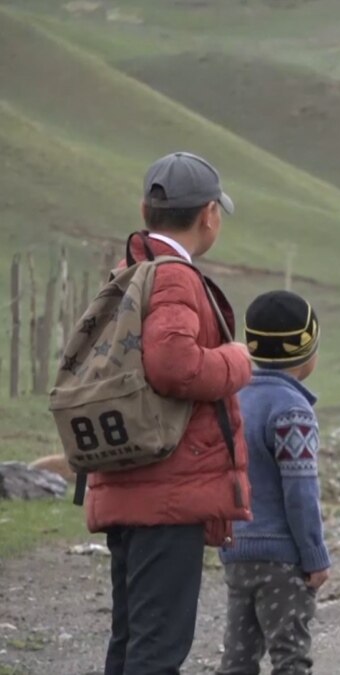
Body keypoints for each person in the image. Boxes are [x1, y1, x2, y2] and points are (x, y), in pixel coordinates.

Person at [87, 151, 254, 674]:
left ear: (145, 207)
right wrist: (235, 359)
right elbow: (174, 367)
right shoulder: (176, 276)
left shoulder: (129, 268)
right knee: (157, 650)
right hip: (168, 489)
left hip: (127, 475)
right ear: (209, 214)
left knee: (132, 641)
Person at [218, 290, 331, 675]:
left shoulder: (233, 398)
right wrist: (314, 555)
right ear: (307, 353)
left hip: (236, 549)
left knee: (238, 659)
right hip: (282, 558)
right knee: (290, 658)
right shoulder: (292, 410)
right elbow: (300, 490)